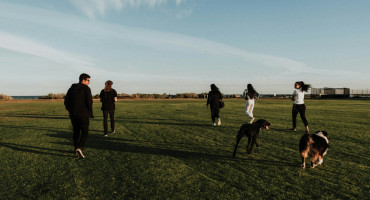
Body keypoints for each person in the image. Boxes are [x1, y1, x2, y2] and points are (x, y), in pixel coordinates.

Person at [64, 73, 93, 159]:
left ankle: (76, 148)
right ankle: (80, 148)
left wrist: (70, 110)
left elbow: (66, 101)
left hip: (73, 114)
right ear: (83, 80)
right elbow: (89, 102)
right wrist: (88, 110)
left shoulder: (71, 89)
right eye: (88, 80)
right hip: (83, 114)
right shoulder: (86, 89)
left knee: (76, 132)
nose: (89, 82)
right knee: (85, 132)